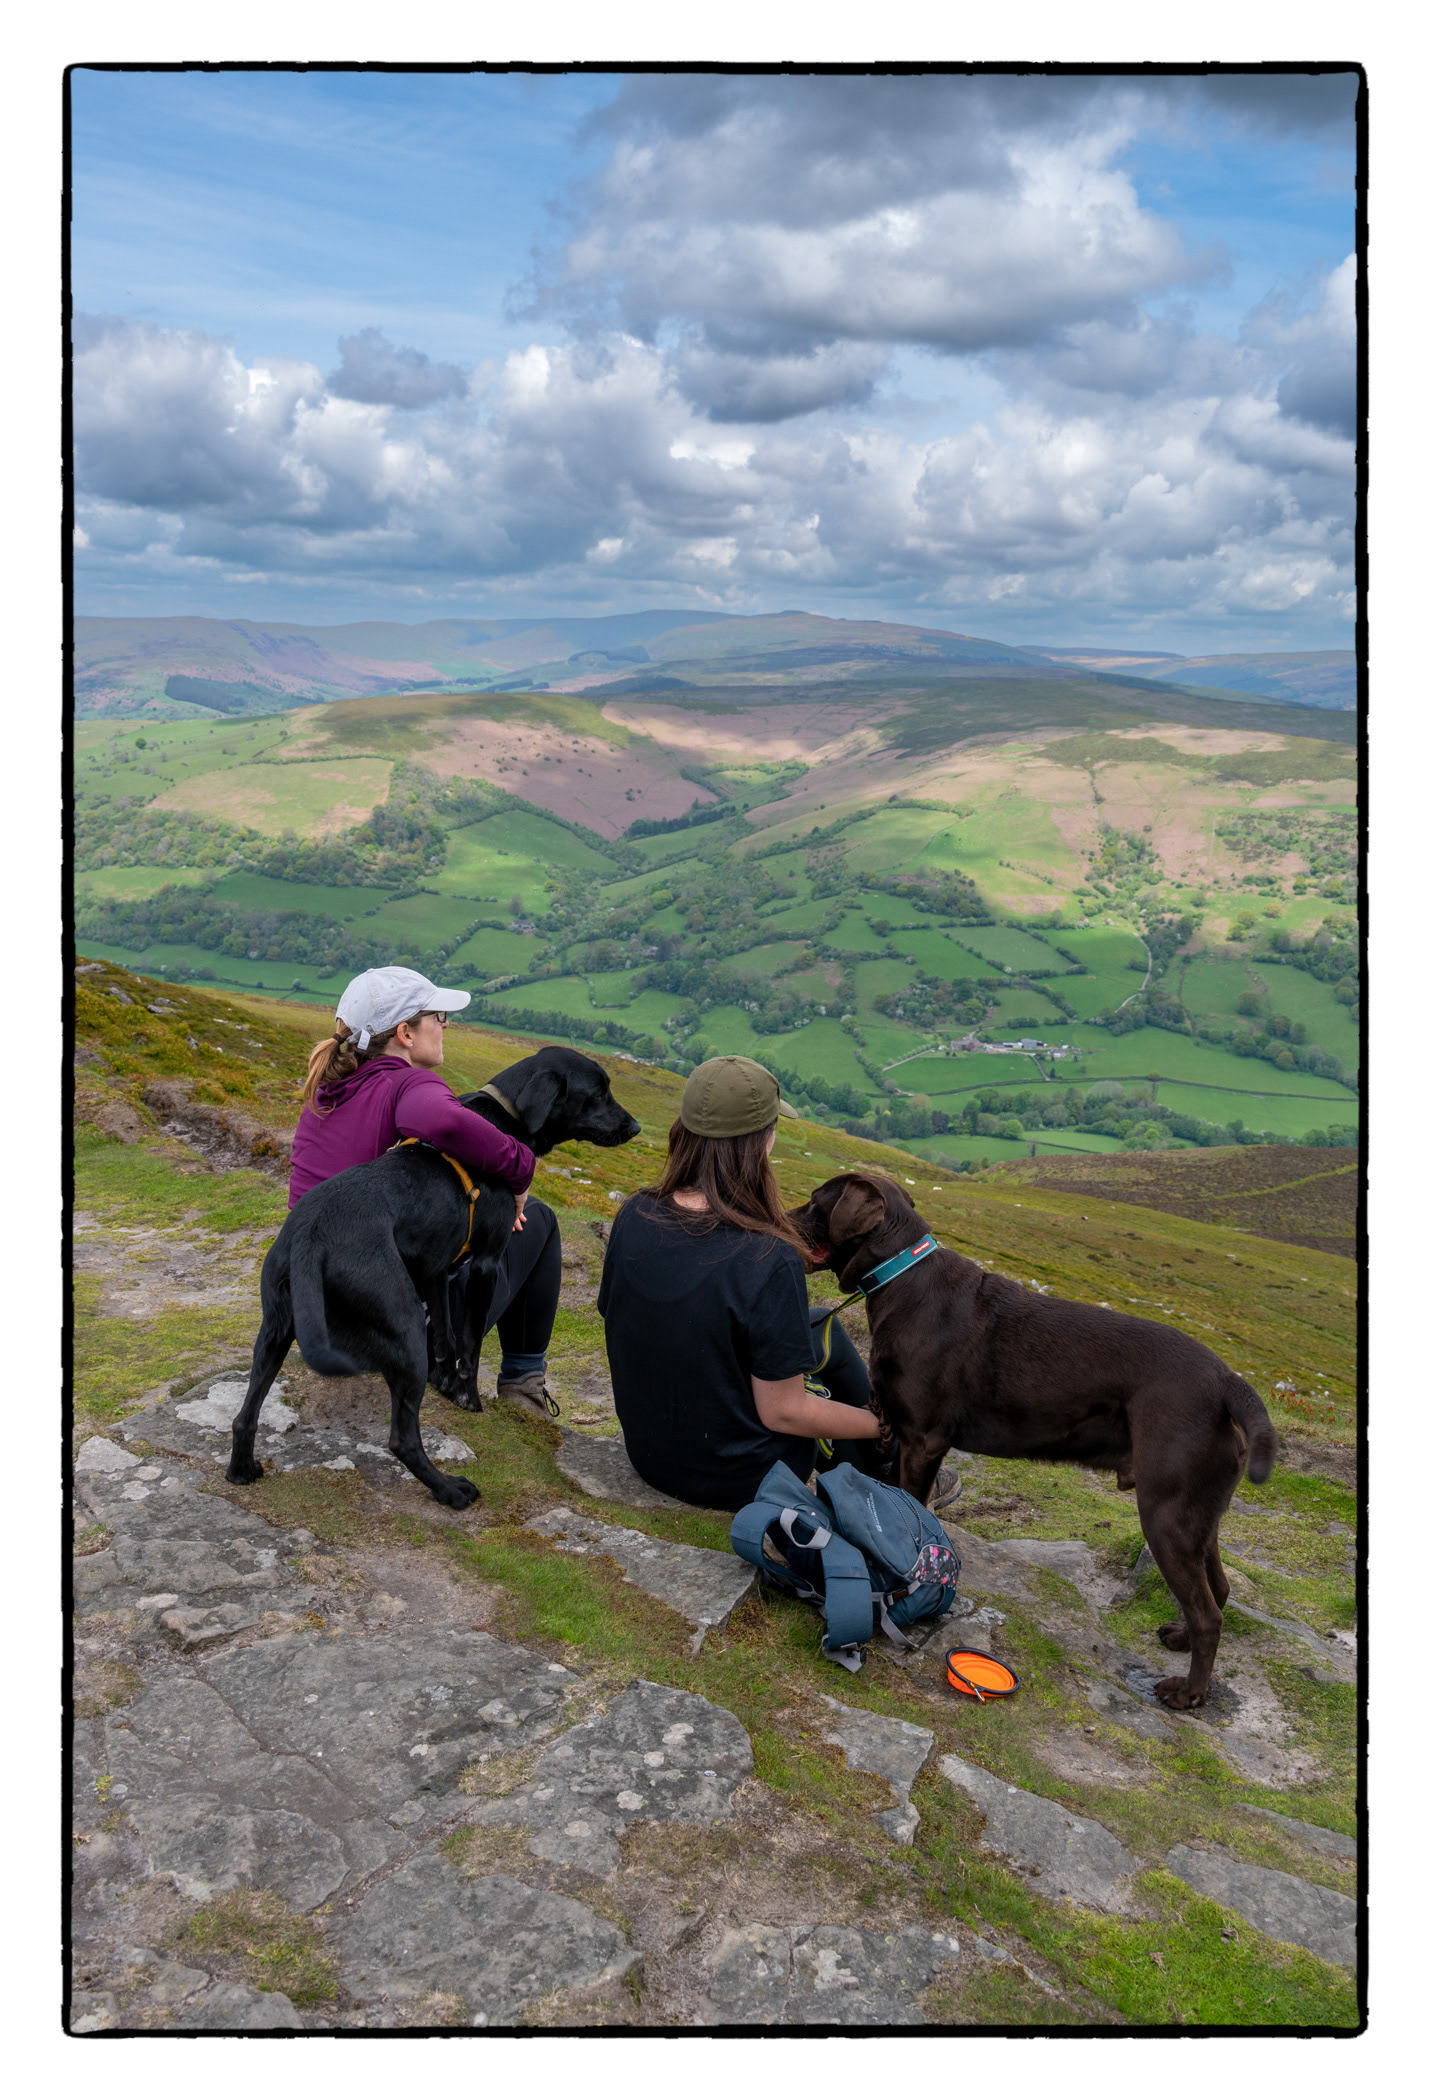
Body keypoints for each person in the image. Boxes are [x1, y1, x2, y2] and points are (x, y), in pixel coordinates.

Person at [597, 1054, 958, 1513]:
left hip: (650, 1457)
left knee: (817, 1322)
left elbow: (635, 1322)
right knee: (810, 1396)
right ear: (762, 1143)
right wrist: (888, 1425)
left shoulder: (635, 1212)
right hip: (736, 1479)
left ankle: (885, 1471)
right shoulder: (767, 1256)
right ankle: (887, 1474)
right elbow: (784, 1412)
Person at [288, 965, 562, 1419]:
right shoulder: (407, 1083)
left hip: (317, 1307)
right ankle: (523, 1384)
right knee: (541, 1221)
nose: (445, 1025)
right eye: (437, 1016)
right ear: (405, 1033)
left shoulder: (329, 1090)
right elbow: (447, 1122)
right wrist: (522, 1168)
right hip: (380, 1321)